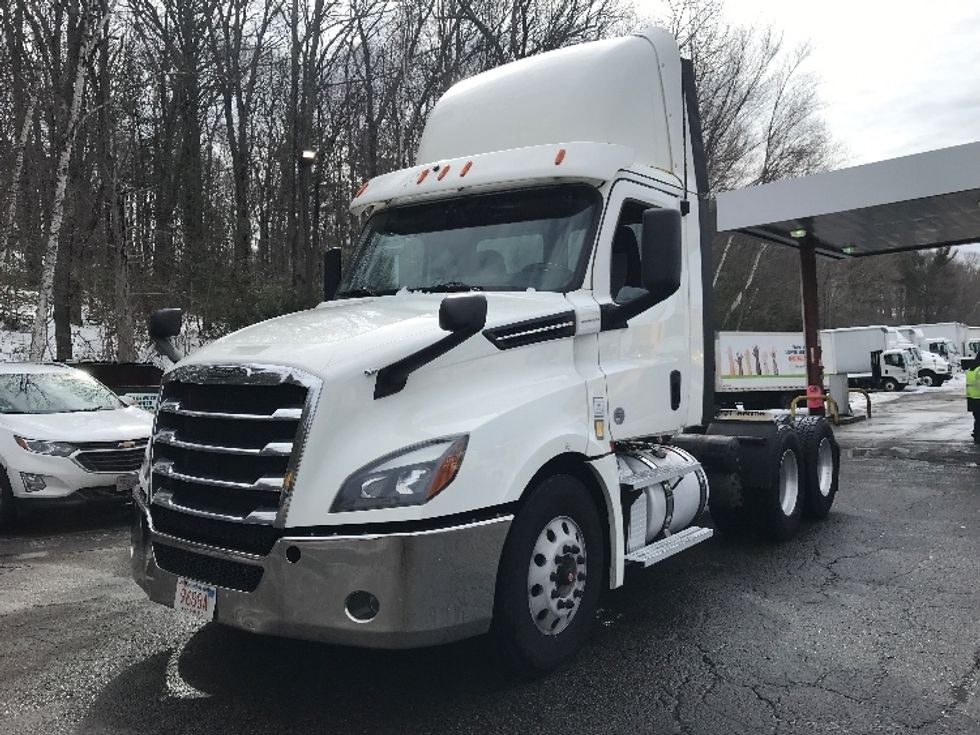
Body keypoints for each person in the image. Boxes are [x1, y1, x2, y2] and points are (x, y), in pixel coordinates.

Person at [966, 358, 980, 444]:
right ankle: (978, 436)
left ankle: (977, 435)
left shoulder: (972, 368)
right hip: (978, 397)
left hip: (972, 397)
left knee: (978, 418)